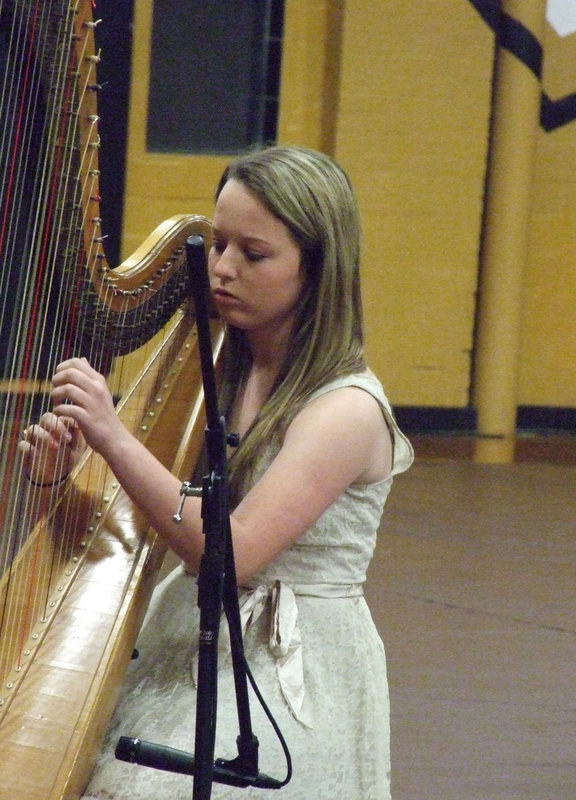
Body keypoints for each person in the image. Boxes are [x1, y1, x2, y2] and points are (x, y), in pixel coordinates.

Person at [20, 145, 413, 799]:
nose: (222, 270)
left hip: (285, 669)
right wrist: (61, 481)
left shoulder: (344, 410)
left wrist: (114, 438)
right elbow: (148, 524)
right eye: (219, 243)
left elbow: (231, 556)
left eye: (252, 254)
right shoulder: (220, 368)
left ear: (318, 269)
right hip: (190, 637)